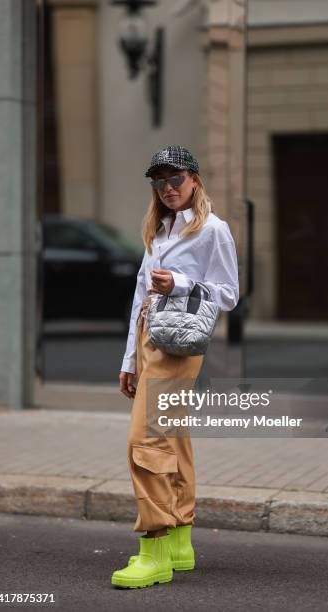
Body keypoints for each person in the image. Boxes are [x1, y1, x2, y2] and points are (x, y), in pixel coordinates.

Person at [111, 145, 239, 589]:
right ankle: (180, 541)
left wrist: (181, 283)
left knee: (144, 440)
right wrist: (130, 358)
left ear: (194, 180)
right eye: (159, 181)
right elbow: (138, 300)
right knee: (173, 439)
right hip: (150, 337)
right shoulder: (158, 230)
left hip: (179, 344)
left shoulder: (212, 230)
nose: (167, 188)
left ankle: (154, 549)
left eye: (175, 179)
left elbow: (229, 293)